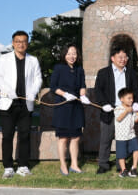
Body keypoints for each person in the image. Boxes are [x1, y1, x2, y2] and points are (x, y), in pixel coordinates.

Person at [0, 30, 43, 179]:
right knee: (7, 136)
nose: (21, 44)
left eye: (24, 41)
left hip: (26, 104)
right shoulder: (4, 59)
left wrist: (33, 93)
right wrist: (8, 90)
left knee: (25, 135)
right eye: (18, 41)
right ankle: (8, 167)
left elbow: (38, 79)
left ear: (27, 43)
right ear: (13, 43)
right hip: (8, 104)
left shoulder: (33, 60)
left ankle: (23, 165)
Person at [93, 46, 138, 174]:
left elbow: (136, 90)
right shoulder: (103, 72)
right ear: (112, 58)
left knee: (124, 139)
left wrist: (135, 103)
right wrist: (104, 104)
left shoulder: (131, 72)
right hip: (109, 110)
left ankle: (122, 165)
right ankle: (103, 164)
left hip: (126, 111)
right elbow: (98, 90)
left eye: (125, 57)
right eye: (120, 57)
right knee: (106, 139)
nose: (123, 59)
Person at [50, 44, 91, 176]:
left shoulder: (79, 69)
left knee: (75, 137)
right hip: (63, 105)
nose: (72, 56)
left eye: (74, 53)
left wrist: (83, 96)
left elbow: (82, 85)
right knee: (63, 138)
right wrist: (65, 94)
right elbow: (53, 87)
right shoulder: (58, 68)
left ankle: (74, 164)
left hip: (76, 106)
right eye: (69, 53)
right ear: (64, 55)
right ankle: (63, 164)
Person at [115, 87, 138, 178]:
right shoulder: (118, 108)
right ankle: (124, 170)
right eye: (129, 98)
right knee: (121, 154)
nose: (131, 100)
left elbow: (134, 120)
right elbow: (119, 118)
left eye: (132, 98)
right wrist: (126, 111)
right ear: (122, 99)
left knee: (136, 149)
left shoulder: (131, 109)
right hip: (121, 136)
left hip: (131, 134)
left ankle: (134, 168)